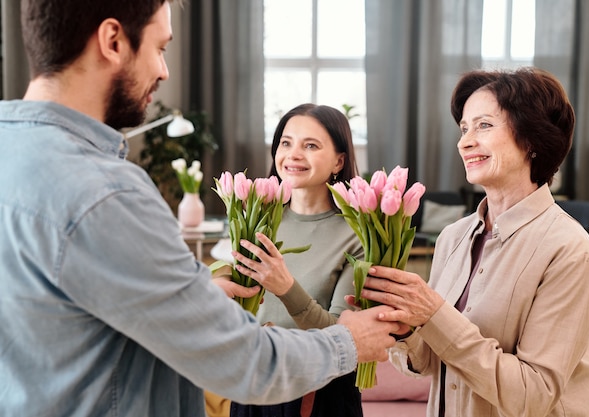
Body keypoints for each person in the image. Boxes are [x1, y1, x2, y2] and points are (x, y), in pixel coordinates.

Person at [0, 1, 400, 416]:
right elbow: (246, 362)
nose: (164, 71)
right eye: (160, 48)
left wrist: (194, 297)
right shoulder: (108, 193)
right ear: (113, 41)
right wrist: (348, 342)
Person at [357, 67, 589, 416]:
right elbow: (430, 362)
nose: (464, 141)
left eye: (484, 125)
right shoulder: (452, 238)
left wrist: (434, 314)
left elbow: (534, 394)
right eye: (463, 128)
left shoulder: (568, 249)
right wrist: (405, 326)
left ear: (532, 138)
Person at [222, 103, 365, 417]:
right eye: (286, 143)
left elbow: (345, 336)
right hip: (253, 386)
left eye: (310, 145)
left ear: (339, 161)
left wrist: (285, 286)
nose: (294, 154)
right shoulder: (255, 217)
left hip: (318, 395)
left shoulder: (358, 235)